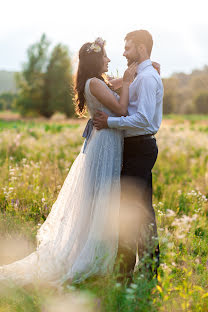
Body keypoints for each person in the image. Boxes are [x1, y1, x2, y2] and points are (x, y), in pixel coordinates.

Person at [0, 38, 137, 287]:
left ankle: (94, 249)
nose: (108, 60)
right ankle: (91, 255)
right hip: (104, 143)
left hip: (104, 141)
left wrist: (131, 76)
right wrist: (127, 82)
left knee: (99, 199)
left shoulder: (96, 82)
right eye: (105, 57)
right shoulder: (95, 83)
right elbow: (122, 108)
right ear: (96, 60)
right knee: (101, 198)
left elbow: (113, 86)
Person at [93, 30, 164, 282]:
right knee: (143, 211)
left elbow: (144, 119)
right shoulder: (140, 75)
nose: (123, 53)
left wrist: (110, 122)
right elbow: (120, 90)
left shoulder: (146, 78)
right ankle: (148, 270)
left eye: (128, 48)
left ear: (142, 49)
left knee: (130, 211)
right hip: (137, 147)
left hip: (140, 147)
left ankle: (124, 274)